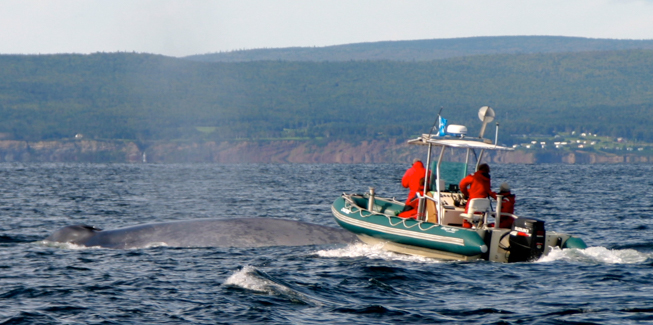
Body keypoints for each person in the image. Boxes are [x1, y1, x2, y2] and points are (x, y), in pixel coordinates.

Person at [459, 163, 496, 228]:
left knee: (467, 220)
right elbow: (488, 191)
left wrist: (466, 193)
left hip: (472, 204)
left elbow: (462, 184)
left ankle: (466, 230)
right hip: (482, 208)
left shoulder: (474, 176)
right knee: (479, 220)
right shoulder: (487, 180)